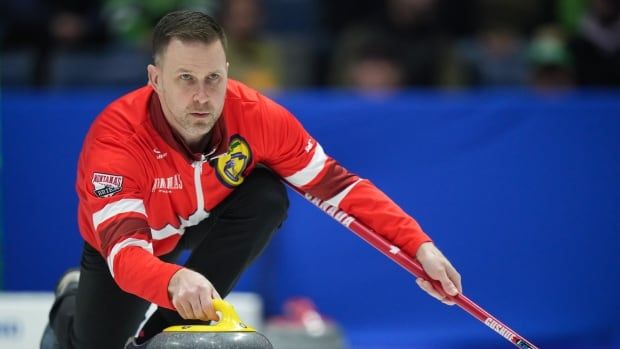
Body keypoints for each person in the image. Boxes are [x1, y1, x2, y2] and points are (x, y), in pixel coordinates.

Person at [41, 10, 462, 349]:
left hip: (199, 217)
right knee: (90, 344)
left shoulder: (259, 117)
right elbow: (126, 253)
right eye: (185, 79)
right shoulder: (115, 139)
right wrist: (172, 278)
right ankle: (70, 298)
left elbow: (339, 188)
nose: (202, 97)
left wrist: (418, 246)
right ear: (155, 79)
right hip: (127, 245)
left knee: (266, 195)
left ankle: (162, 338)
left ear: (227, 71)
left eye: (213, 78)